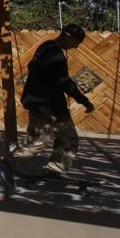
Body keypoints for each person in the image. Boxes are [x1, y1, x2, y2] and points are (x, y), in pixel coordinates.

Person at [14, 23, 94, 174]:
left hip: (37, 102)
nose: (76, 47)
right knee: (61, 140)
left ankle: (54, 169)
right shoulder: (55, 54)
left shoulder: (46, 47)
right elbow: (64, 82)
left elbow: (38, 71)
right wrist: (84, 101)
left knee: (44, 139)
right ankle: (10, 163)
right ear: (68, 37)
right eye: (76, 43)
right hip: (50, 106)